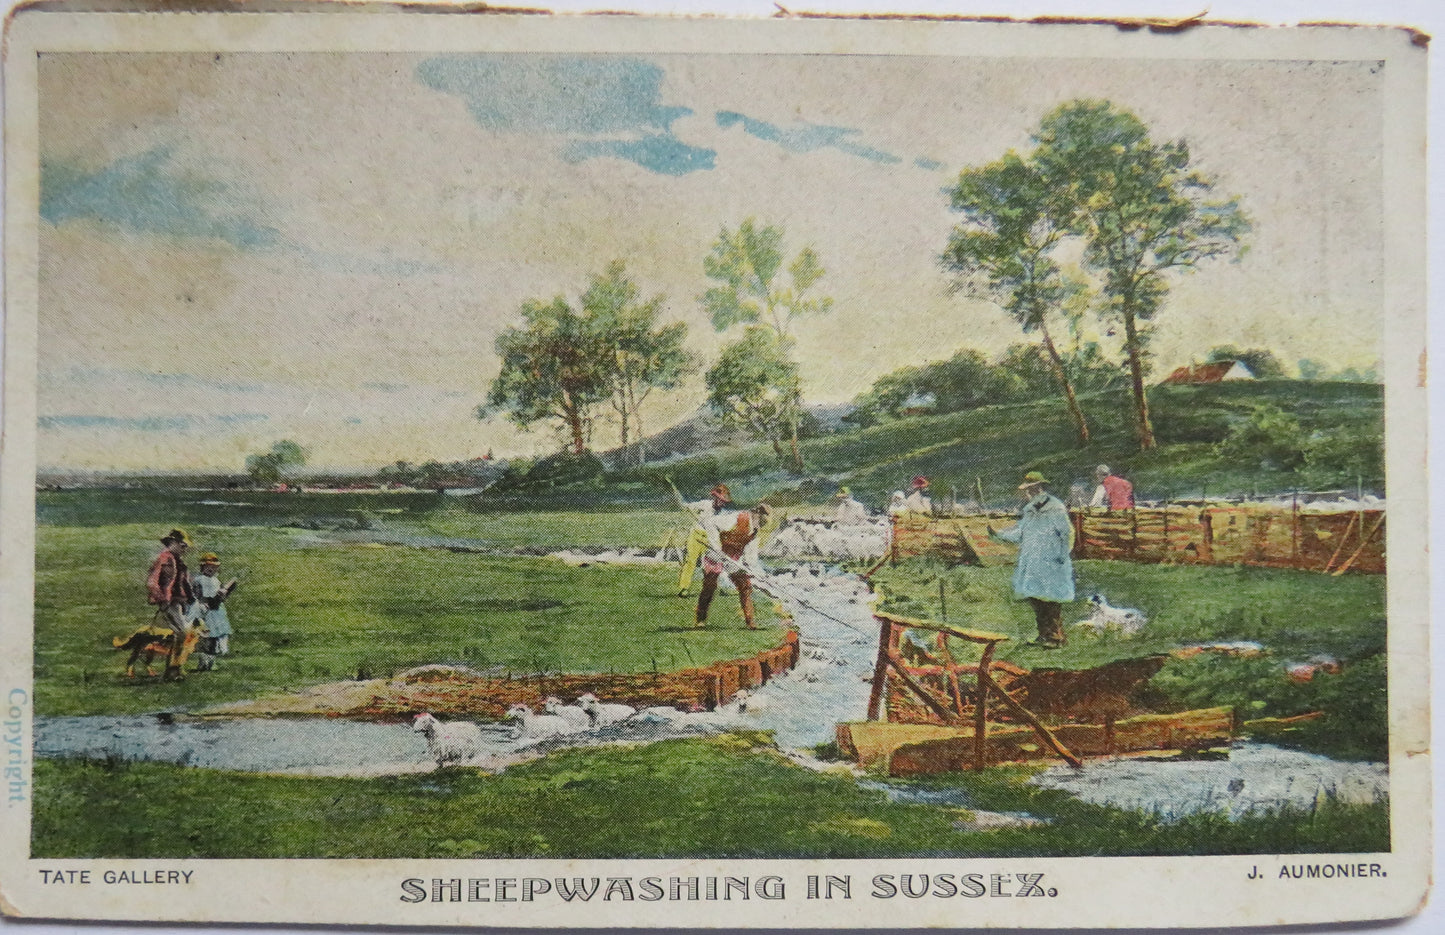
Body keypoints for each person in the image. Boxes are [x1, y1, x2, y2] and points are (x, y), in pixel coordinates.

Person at [988, 471, 1075, 648]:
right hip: (1034, 561)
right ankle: (1044, 635)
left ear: (1037, 489)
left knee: (1050, 600)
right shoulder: (1030, 510)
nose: (1027, 494)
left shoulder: (1055, 507)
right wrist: (998, 534)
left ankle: (1056, 637)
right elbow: (1019, 532)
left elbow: (1067, 532)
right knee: (1036, 598)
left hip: (1051, 560)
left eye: (1029, 490)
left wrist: (1063, 553)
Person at [695, 501, 773, 630]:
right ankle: (700, 620)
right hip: (717, 552)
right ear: (757, 514)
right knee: (710, 584)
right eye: (762, 521)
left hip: (734, 558)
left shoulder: (754, 530)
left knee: (745, 586)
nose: (762, 525)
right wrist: (716, 547)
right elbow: (710, 523)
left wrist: (752, 569)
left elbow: (750, 555)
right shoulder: (737, 518)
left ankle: (750, 622)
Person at [146, 528, 197, 681]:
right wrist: (163, 599)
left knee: (181, 635)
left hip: (179, 602)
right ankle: (173, 670)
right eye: (182, 545)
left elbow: (183, 582)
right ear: (173, 543)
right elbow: (151, 582)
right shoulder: (164, 559)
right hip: (170, 602)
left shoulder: (178, 561)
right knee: (181, 633)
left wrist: (190, 597)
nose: (185, 549)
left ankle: (175, 668)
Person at [677, 484, 733, 597]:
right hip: (696, 535)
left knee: (713, 563)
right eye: (720, 500)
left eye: (724, 502)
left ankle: (718, 587)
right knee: (690, 561)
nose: (722, 503)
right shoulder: (705, 504)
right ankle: (684, 588)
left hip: (710, 538)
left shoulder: (722, 513)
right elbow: (688, 506)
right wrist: (686, 506)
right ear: (715, 498)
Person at [188, 552, 238, 671]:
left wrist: (225, 592)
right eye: (208, 566)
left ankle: (211, 662)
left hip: (216, 611)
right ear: (202, 567)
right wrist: (201, 603)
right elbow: (196, 595)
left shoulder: (216, 580)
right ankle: (203, 662)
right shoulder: (199, 580)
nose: (211, 569)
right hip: (204, 610)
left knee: (215, 637)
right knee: (205, 636)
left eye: (214, 567)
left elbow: (221, 597)